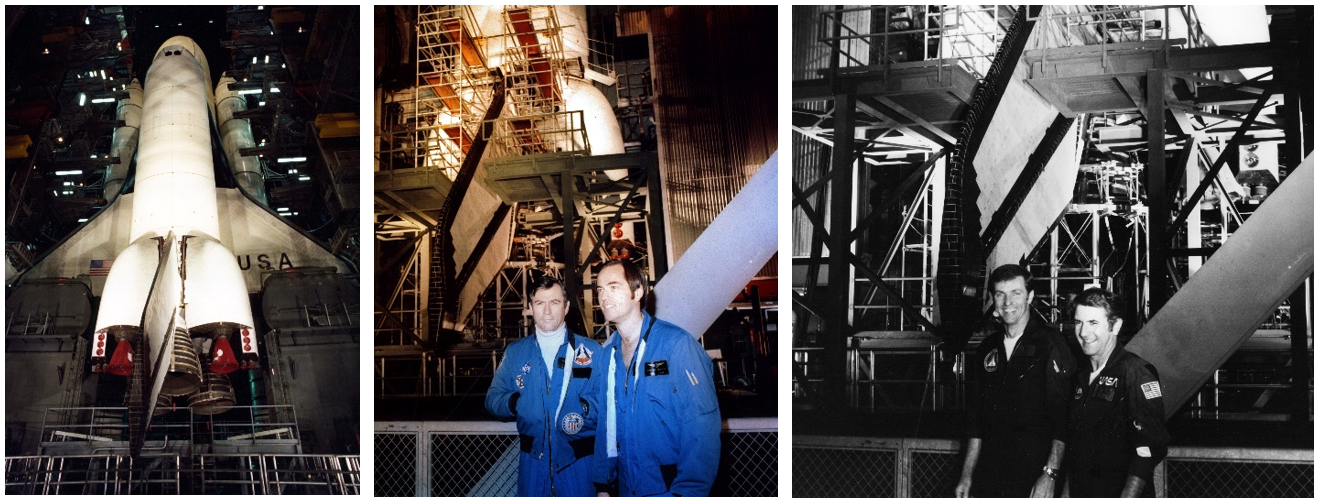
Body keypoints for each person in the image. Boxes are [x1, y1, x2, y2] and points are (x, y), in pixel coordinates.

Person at [592, 258, 720, 497]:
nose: (604, 297)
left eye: (613, 287)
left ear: (638, 291)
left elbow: (701, 427)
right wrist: (603, 484)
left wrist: (687, 493)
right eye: (600, 289)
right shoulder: (607, 355)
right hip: (624, 488)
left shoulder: (676, 345)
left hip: (669, 490)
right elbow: (606, 426)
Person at [956, 264, 1077, 498]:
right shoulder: (988, 348)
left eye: (1016, 293)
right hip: (991, 474)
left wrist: (1050, 475)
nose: (1007, 302)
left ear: (1030, 296)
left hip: (1034, 474)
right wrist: (967, 474)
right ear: (993, 298)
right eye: (1000, 294)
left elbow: (1064, 420)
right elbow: (976, 419)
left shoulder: (1050, 344)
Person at [486, 275, 604, 496]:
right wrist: (517, 402)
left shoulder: (592, 351)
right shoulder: (516, 352)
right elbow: (492, 399)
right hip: (532, 464)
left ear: (567, 307)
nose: (547, 311)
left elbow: (610, 401)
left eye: (555, 302)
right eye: (540, 303)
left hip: (580, 463)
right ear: (531, 308)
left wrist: (585, 408)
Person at [1064, 287, 1169, 497]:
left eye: (1093, 323)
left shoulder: (1135, 374)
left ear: (1116, 326)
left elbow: (1149, 449)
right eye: (1078, 322)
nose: (1083, 332)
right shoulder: (1080, 377)